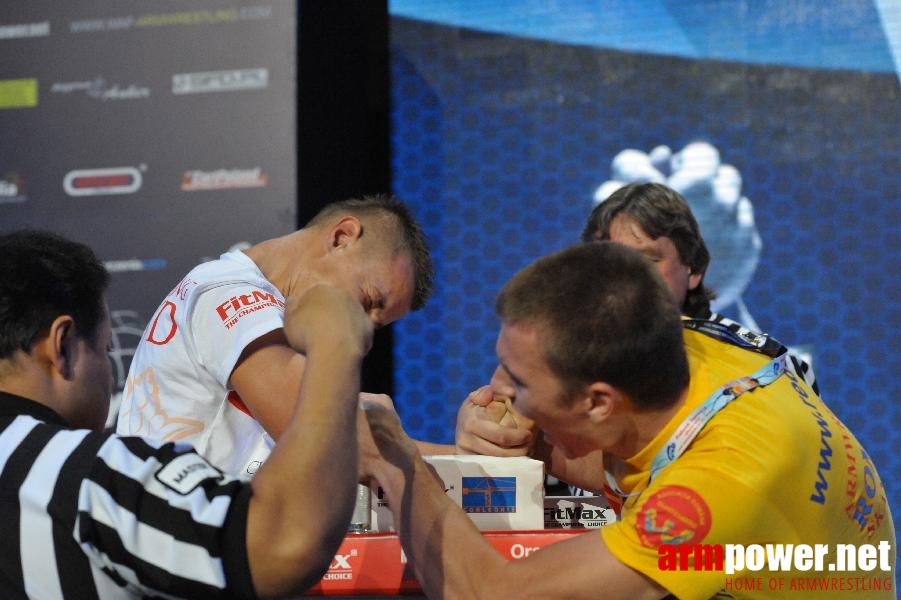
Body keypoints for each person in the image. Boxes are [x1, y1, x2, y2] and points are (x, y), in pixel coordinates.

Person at [360, 242, 896, 599]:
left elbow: (494, 592)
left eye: (519, 383)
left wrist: (397, 460)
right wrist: (531, 443)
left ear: (598, 401)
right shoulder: (671, 343)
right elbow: (637, 454)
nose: (495, 391)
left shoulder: (720, 485)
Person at [0, 230, 375, 598]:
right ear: (62, 345)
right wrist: (334, 345)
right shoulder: (96, 473)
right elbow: (286, 543)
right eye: (102, 349)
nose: (110, 373)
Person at [455, 182, 818, 466]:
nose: (622, 279)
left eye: (646, 261)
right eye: (607, 262)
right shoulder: (554, 354)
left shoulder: (767, 366)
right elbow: (508, 433)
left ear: (693, 269)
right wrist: (483, 428)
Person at [116, 194, 437, 476]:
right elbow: (331, 448)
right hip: (178, 537)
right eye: (369, 301)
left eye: (376, 324)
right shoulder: (230, 295)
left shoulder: (247, 300)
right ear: (342, 237)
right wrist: (470, 459)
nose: (364, 326)